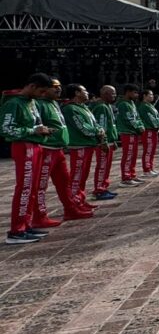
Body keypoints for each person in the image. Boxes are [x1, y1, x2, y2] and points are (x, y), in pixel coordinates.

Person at [1, 73, 55, 244]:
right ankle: (16, 230)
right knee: (24, 188)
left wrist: (42, 130)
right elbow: (6, 129)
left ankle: (26, 224)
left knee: (32, 188)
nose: (42, 95)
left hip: (36, 146)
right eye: (41, 91)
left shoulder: (31, 102)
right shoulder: (13, 103)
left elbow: (33, 125)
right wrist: (33, 131)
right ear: (32, 86)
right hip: (24, 147)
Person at [34, 77, 90, 228]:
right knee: (41, 185)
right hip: (47, 150)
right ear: (44, 89)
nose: (58, 89)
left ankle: (71, 210)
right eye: (54, 87)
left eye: (59, 86)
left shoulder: (54, 103)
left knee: (65, 183)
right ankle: (39, 217)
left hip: (58, 150)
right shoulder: (39, 104)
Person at [62, 83, 104, 216]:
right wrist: (97, 132)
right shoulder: (70, 109)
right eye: (84, 90)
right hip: (79, 145)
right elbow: (82, 127)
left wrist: (99, 130)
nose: (87, 93)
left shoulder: (83, 107)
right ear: (76, 93)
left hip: (87, 145)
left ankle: (81, 199)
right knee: (76, 176)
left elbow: (94, 123)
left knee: (83, 176)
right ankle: (74, 203)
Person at [90, 85, 120, 200]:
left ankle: (104, 187)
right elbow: (102, 126)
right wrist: (104, 141)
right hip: (103, 143)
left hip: (109, 141)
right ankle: (99, 190)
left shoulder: (108, 106)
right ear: (104, 94)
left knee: (106, 166)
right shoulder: (101, 107)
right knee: (102, 166)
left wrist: (113, 140)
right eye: (112, 93)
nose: (114, 96)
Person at [115, 84, 146, 185]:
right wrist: (138, 127)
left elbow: (137, 117)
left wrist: (140, 125)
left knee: (133, 155)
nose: (136, 95)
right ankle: (126, 177)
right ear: (128, 92)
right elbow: (129, 119)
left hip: (134, 132)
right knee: (128, 155)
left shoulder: (131, 103)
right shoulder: (123, 104)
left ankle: (132, 174)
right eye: (135, 93)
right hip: (127, 132)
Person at [138, 89, 159, 177]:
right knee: (148, 150)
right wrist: (158, 125)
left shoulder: (150, 105)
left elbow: (157, 117)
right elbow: (150, 118)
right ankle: (147, 169)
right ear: (144, 96)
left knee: (152, 150)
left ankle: (151, 167)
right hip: (148, 130)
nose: (152, 96)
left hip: (154, 130)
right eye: (150, 95)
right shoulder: (143, 106)